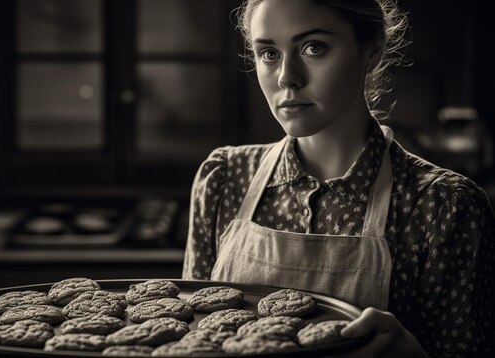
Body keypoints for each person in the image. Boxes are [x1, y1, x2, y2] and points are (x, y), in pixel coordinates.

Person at [182, 0, 495, 356]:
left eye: (314, 47)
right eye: (268, 53)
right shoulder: (225, 178)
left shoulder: (443, 207)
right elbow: (194, 335)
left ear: (372, 49)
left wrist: (411, 352)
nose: (287, 77)